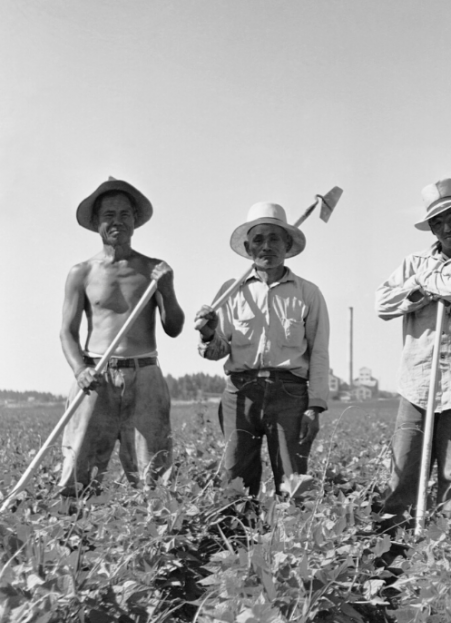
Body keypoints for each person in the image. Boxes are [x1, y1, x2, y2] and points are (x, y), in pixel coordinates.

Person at [375, 178, 451, 530]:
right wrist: (419, 288)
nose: (448, 228)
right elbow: (382, 304)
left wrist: (421, 287)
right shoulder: (412, 261)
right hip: (416, 384)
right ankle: (392, 553)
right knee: (402, 475)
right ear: (431, 227)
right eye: (439, 222)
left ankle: (443, 559)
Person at [60, 177, 185, 495]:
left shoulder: (153, 269)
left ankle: (157, 538)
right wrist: (80, 370)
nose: (117, 221)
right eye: (109, 214)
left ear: (134, 220)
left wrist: (167, 290)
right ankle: (73, 537)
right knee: (78, 468)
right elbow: (67, 332)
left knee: (154, 472)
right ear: (97, 222)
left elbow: (174, 327)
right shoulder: (81, 272)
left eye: (124, 214)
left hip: (145, 376)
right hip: (95, 377)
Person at [196, 202, 330, 496]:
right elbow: (218, 350)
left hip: (290, 394)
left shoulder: (308, 293)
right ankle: (237, 537)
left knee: (293, 479)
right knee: (235, 477)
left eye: (274, 238)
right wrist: (208, 332)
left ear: (287, 244)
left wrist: (314, 406)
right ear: (247, 247)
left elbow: (319, 353)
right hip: (240, 393)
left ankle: (292, 539)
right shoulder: (232, 291)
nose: (266, 246)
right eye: (258, 239)